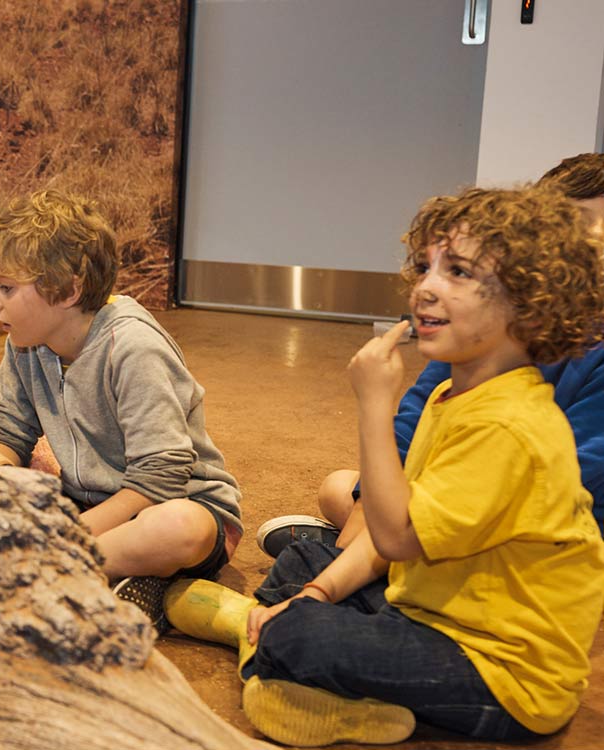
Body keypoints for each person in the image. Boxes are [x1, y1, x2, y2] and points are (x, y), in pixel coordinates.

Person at [166, 185, 604, 746]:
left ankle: (263, 644)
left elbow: (395, 536)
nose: (426, 286)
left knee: (302, 637)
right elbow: (388, 527)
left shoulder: (508, 424)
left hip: (502, 674)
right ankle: (269, 635)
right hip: (427, 605)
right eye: (426, 266)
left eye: (459, 272)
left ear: (529, 304)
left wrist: (374, 404)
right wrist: (318, 593)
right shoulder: (457, 392)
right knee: (308, 561)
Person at [258, 152, 604, 556]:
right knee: (340, 488)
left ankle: (370, 556)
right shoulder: (488, 326)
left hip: (554, 521)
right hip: (463, 491)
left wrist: (428, 515)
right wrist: (368, 507)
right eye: (568, 227)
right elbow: (419, 412)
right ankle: (375, 553)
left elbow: (568, 479)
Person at [0, 189, 242, 626]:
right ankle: (115, 575)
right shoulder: (23, 341)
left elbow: (163, 475)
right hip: (85, 508)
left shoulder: (133, 347)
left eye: (6, 287)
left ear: (68, 291)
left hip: (174, 506)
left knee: (177, 527)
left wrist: (66, 534)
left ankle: (46, 571)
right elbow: (5, 428)